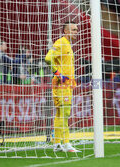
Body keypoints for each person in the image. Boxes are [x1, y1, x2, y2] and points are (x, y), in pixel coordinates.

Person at [45, 21, 80, 152]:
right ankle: (66, 144)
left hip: (66, 85)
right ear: (65, 31)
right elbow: (48, 58)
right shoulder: (60, 42)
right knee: (65, 114)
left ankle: (57, 144)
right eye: (73, 29)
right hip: (61, 85)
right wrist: (58, 74)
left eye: (76, 29)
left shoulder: (67, 45)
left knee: (60, 114)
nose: (76, 32)